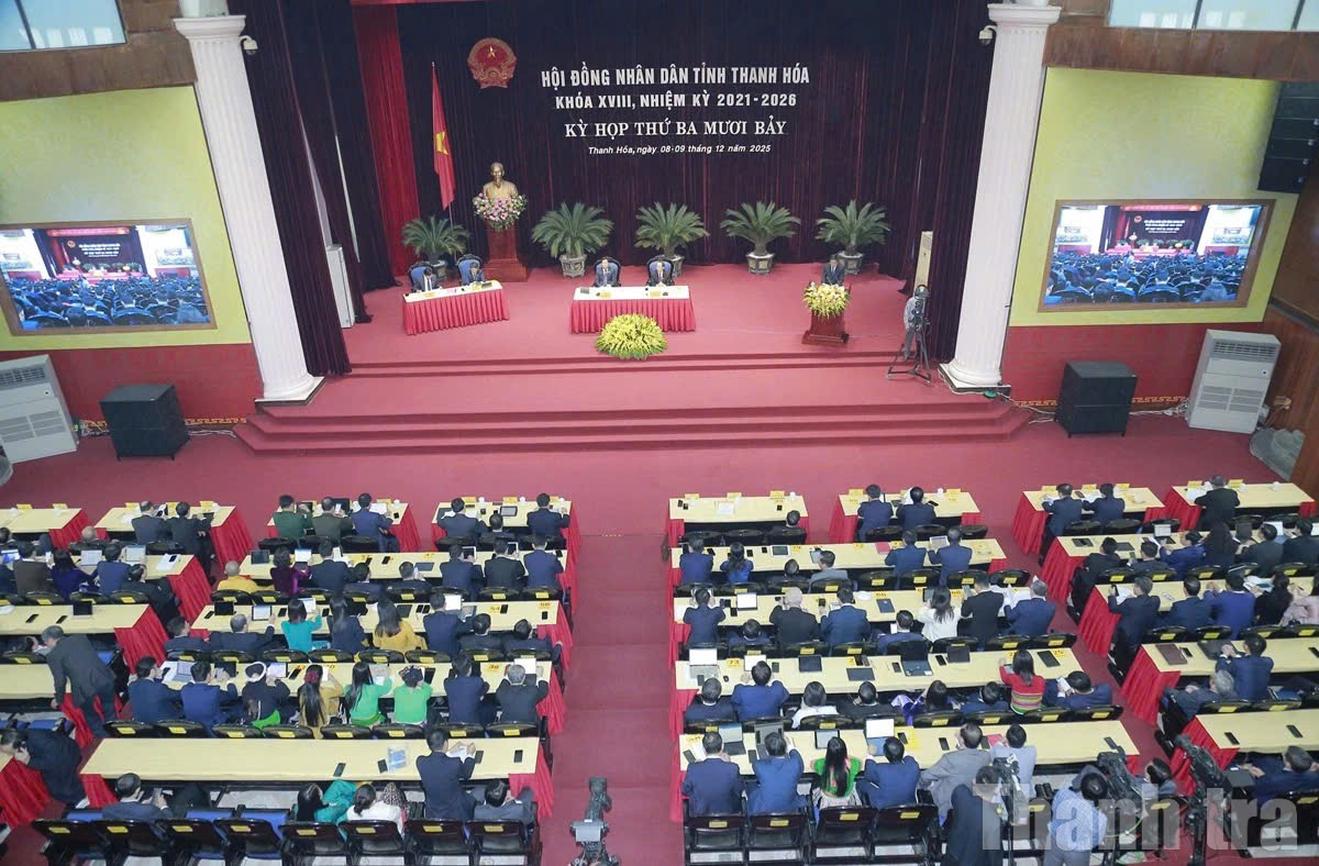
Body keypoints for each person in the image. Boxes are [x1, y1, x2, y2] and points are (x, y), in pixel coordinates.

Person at [43, 625, 117, 737]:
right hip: (102, 676)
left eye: (46, 643)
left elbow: (60, 680)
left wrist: (58, 699)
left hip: (83, 687)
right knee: (108, 705)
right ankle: (114, 730)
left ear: (50, 640)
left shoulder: (53, 655)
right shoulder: (81, 638)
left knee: (90, 714)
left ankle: (102, 737)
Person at [919, 723, 991, 819]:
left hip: (946, 807)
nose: (955, 734)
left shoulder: (950, 759)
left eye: (958, 733)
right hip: (969, 805)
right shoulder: (986, 756)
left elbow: (925, 777)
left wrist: (923, 788)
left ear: (962, 740)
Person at [0, 728, 86, 806]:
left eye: (11, 752)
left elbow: (51, 763)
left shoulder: (42, 742)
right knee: (48, 782)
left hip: (66, 755)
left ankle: (80, 799)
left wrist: (28, 761)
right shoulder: (20, 735)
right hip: (54, 754)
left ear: (20, 744)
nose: (9, 755)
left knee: (56, 787)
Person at [943, 766, 1006, 866]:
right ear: (997, 789)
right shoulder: (993, 820)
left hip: (953, 857)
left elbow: (964, 788)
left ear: (974, 782)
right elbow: (994, 858)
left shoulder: (960, 793)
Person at [1046, 768, 1109, 866]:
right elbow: (1095, 840)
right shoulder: (1099, 818)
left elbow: (1054, 809)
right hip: (1078, 851)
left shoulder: (1063, 793)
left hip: (1054, 840)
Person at [418, 729, 478, 819]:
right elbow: (467, 774)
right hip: (456, 810)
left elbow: (438, 764)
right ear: (446, 743)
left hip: (433, 810)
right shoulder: (454, 763)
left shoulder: (420, 762)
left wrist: (449, 752)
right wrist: (470, 754)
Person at [682, 732, 744, 815]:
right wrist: (728, 764)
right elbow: (739, 790)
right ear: (722, 747)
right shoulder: (732, 768)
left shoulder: (693, 768)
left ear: (703, 749)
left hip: (700, 817)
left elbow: (685, 790)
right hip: (729, 816)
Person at [745, 730, 806, 814]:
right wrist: (791, 747)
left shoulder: (759, 766)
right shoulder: (796, 764)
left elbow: (758, 764)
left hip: (763, 808)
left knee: (749, 783)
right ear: (785, 749)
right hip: (789, 806)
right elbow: (796, 756)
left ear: (767, 752)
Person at [1107, 575, 1159, 669]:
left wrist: (1112, 595)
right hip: (1144, 632)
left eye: (1134, 586)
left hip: (1128, 636)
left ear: (1138, 588)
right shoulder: (1155, 600)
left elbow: (1113, 608)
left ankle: (1115, 651)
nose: (1133, 587)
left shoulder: (1130, 602)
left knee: (1120, 622)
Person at [858, 736, 920, 809]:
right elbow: (909, 758)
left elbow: (868, 774)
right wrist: (899, 749)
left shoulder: (880, 769)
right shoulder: (913, 766)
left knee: (861, 783)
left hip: (883, 808)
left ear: (885, 754)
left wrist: (870, 755)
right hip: (908, 807)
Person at [1241, 746, 1319, 804]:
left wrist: (1248, 772)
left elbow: (1252, 788)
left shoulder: (1273, 781)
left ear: (1288, 763)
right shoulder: (1315, 778)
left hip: (1268, 806)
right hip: (1299, 805)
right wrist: (1264, 777)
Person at [180, 660, 241, 729]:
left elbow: (190, 684)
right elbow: (233, 695)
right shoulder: (214, 691)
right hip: (213, 725)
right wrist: (228, 680)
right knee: (237, 706)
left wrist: (205, 678)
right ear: (209, 675)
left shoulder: (185, 689)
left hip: (194, 726)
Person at [1216, 633, 1273, 702]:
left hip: (1240, 702)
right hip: (1260, 702)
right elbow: (1249, 662)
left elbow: (1221, 670)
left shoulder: (1238, 663)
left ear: (1245, 646)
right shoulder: (1268, 662)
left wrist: (1224, 655)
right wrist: (1235, 655)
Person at [127, 656, 181, 724]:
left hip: (143, 724)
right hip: (165, 723)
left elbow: (150, 692)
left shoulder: (132, 686)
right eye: (157, 667)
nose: (159, 669)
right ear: (152, 671)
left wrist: (158, 678)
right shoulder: (159, 688)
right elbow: (179, 695)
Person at [813, 736, 863, 808]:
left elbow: (812, 763)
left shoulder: (821, 764)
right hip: (847, 801)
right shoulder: (852, 765)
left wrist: (829, 758)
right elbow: (860, 762)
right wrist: (847, 756)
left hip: (827, 803)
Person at [1167, 669, 1237, 718]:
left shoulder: (1198, 696)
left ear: (1213, 684)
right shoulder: (1233, 697)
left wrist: (1187, 691)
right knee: (1194, 683)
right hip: (1205, 716)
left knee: (1167, 690)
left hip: (1187, 714)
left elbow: (1179, 698)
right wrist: (1198, 690)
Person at [444, 654, 492, 725]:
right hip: (473, 724)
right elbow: (486, 685)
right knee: (490, 707)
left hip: (454, 724)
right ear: (470, 669)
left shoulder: (448, 683)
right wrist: (480, 695)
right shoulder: (477, 681)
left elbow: (449, 679)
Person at [1041, 485, 1084, 563]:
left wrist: (1045, 501)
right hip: (1072, 530)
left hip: (1057, 530)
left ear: (1060, 493)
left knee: (1047, 528)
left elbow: (1048, 509)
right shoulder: (1079, 502)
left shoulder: (1057, 503)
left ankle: (1044, 557)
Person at [297, 664, 343, 736]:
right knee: (335, 699)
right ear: (320, 678)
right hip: (320, 733)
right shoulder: (325, 691)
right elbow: (341, 691)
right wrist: (332, 678)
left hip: (305, 732)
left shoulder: (301, 691)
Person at [989, 723, 1036, 793]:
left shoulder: (999, 752)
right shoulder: (1032, 751)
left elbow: (991, 753)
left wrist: (1000, 742)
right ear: (1025, 740)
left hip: (1004, 794)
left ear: (1007, 741)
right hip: (1026, 792)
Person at [960, 573, 1004, 649]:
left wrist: (965, 602)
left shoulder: (972, 600)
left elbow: (964, 614)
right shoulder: (1000, 597)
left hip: (976, 637)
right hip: (993, 635)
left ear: (976, 586)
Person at [344, 660, 393, 726]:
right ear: (368, 674)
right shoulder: (373, 688)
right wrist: (387, 676)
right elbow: (387, 687)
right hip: (371, 721)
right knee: (382, 714)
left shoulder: (347, 689)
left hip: (355, 722)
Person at [241, 662, 290, 728]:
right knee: (289, 707)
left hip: (252, 724)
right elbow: (286, 692)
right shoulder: (269, 689)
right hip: (269, 722)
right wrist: (276, 680)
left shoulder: (245, 689)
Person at [1209, 571, 1256, 638]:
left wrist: (1208, 591)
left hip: (1223, 635)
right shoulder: (1251, 597)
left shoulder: (1223, 598)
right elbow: (1233, 597)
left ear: (1228, 586)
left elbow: (1208, 603)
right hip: (1242, 635)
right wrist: (1220, 591)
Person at [208, 613, 275, 657]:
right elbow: (267, 637)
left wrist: (246, 624)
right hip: (253, 657)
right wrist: (271, 623)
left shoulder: (223, 637)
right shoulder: (253, 637)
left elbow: (214, 634)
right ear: (245, 626)